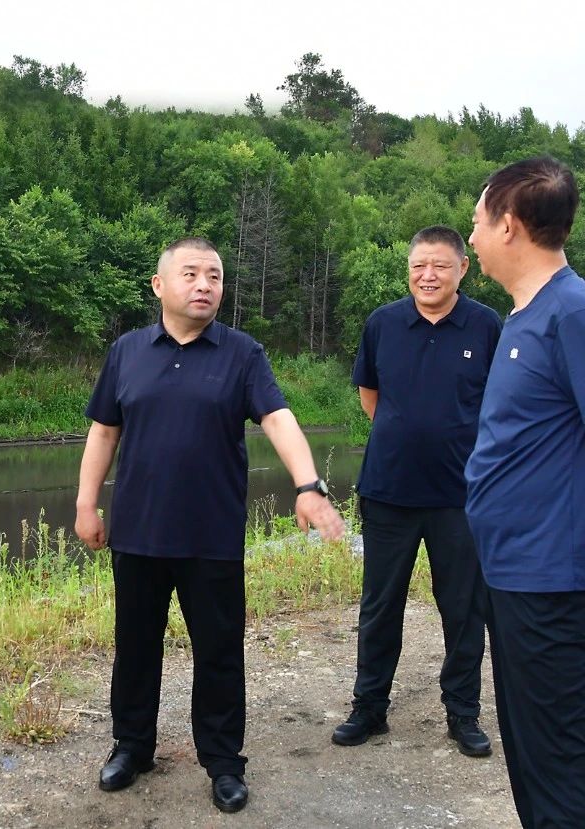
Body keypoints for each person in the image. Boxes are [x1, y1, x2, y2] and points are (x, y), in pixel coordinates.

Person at [75, 237, 345, 814]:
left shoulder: (242, 353)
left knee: (219, 653)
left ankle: (223, 762)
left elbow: (278, 418)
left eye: (215, 276)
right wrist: (85, 503)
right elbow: (104, 431)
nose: (204, 285)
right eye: (191, 274)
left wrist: (308, 486)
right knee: (135, 648)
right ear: (159, 285)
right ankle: (132, 747)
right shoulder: (127, 352)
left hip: (212, 536)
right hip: (139, 532)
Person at [331, 226, 501, 755]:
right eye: (419, 266)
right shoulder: (383, 323)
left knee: (463, 609)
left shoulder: (486, 326)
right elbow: (370, 395)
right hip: (390, 491)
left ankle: (463, 713)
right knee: (380, 606)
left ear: (462, 269)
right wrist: (407, 433)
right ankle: (369, 707)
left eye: (440, 266)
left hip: (462, 497)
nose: (428, 276)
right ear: (408, 269)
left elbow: (499, 403)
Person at [464, 156, 585, 828]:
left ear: (508, 225)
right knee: (531, 754)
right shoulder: (525, 317)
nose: (472, 236)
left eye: (477, 221)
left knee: (559, 763)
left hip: (551, 583)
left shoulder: (573, 311)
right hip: (511, 573)